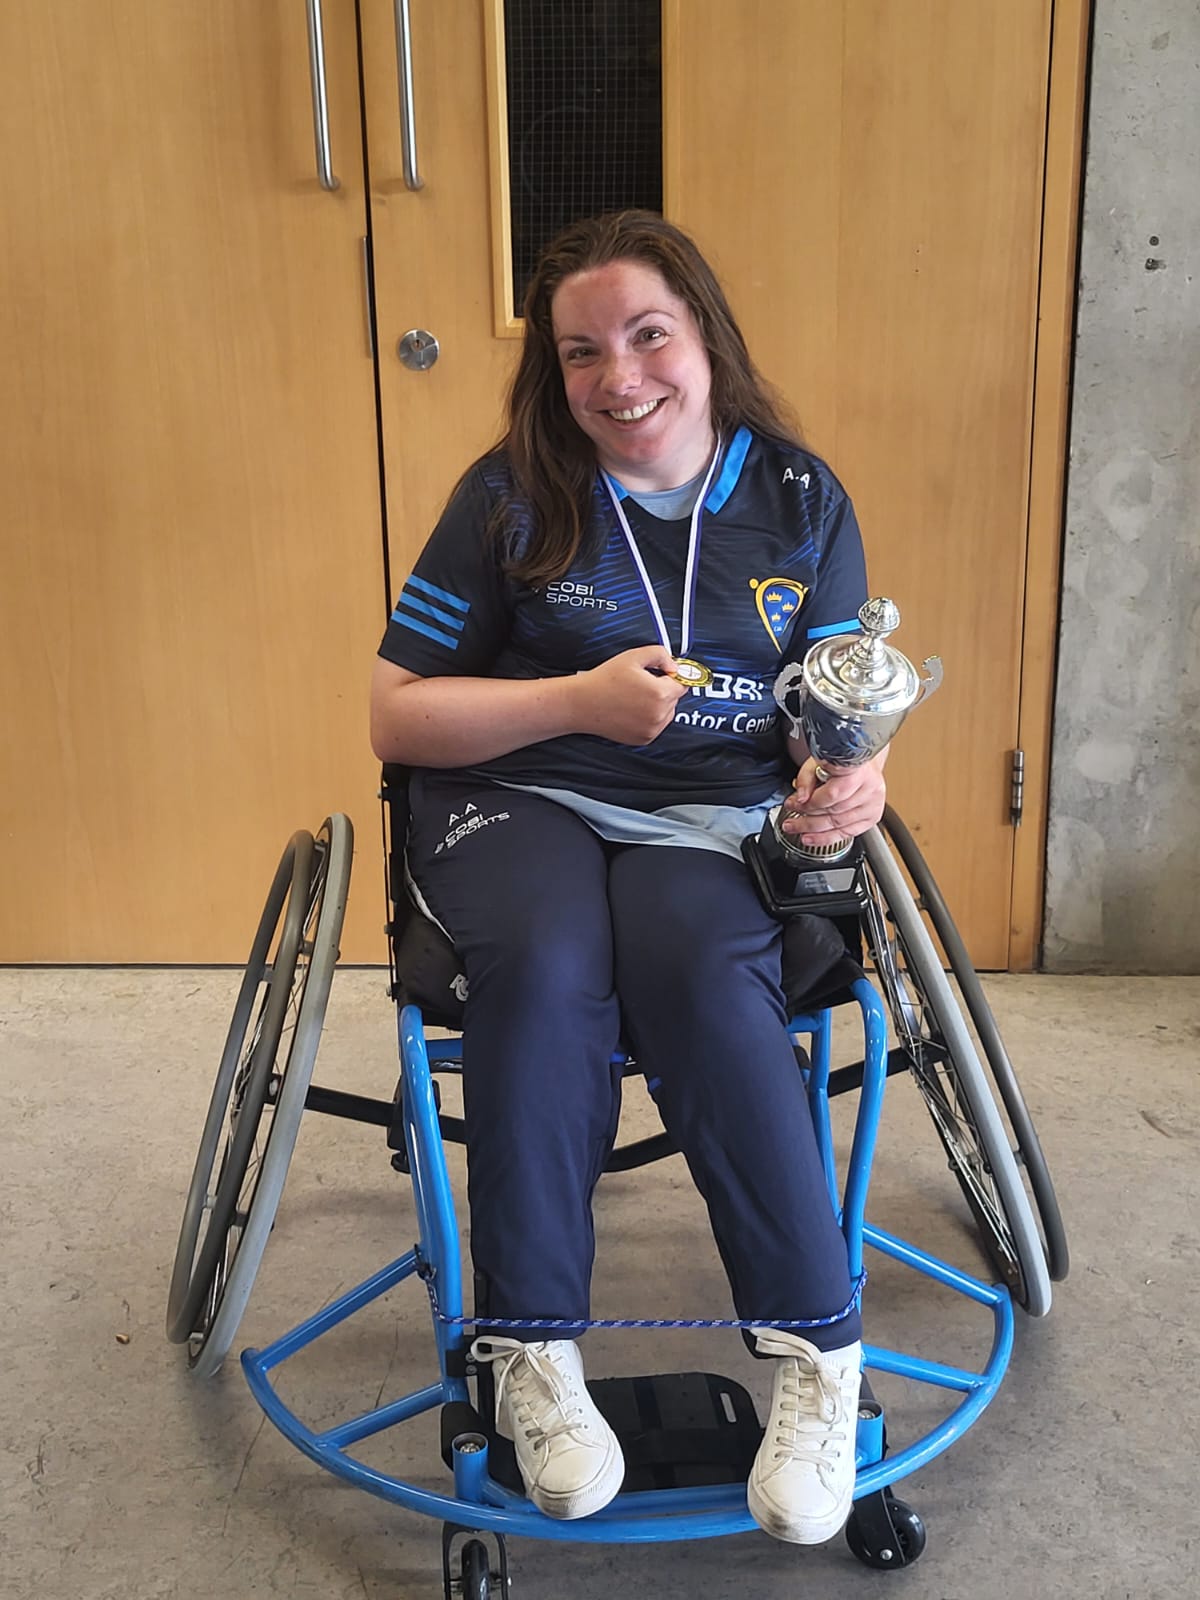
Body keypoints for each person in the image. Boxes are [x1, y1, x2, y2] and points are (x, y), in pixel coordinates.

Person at [369, 211, 887, 1543]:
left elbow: (833, 709)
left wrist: (849, 780)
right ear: (555, 368)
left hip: (703, 822)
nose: (621, 378)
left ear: (705, 338)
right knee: (544, 967)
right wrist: (578, 703)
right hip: (516, 791)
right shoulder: (513, 493)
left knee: (707, 978)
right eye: (583, 350)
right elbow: (399, 715)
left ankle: (822, 1360)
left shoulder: (799, 498)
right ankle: (530, 1356)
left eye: (649, 335)